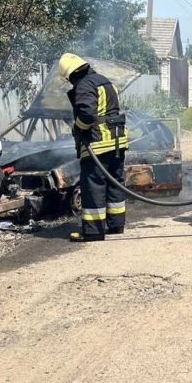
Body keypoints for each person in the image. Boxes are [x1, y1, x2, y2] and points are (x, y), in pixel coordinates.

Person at [57, 53, 128, 242]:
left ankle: (93, 231)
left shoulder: (84, 85)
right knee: (115, 182)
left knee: (93, 186)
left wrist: (78, 130)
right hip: (117, 141)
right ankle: (116, 224)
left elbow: (87, 115)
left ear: (70, 75)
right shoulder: (105, 81)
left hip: (98, 144)